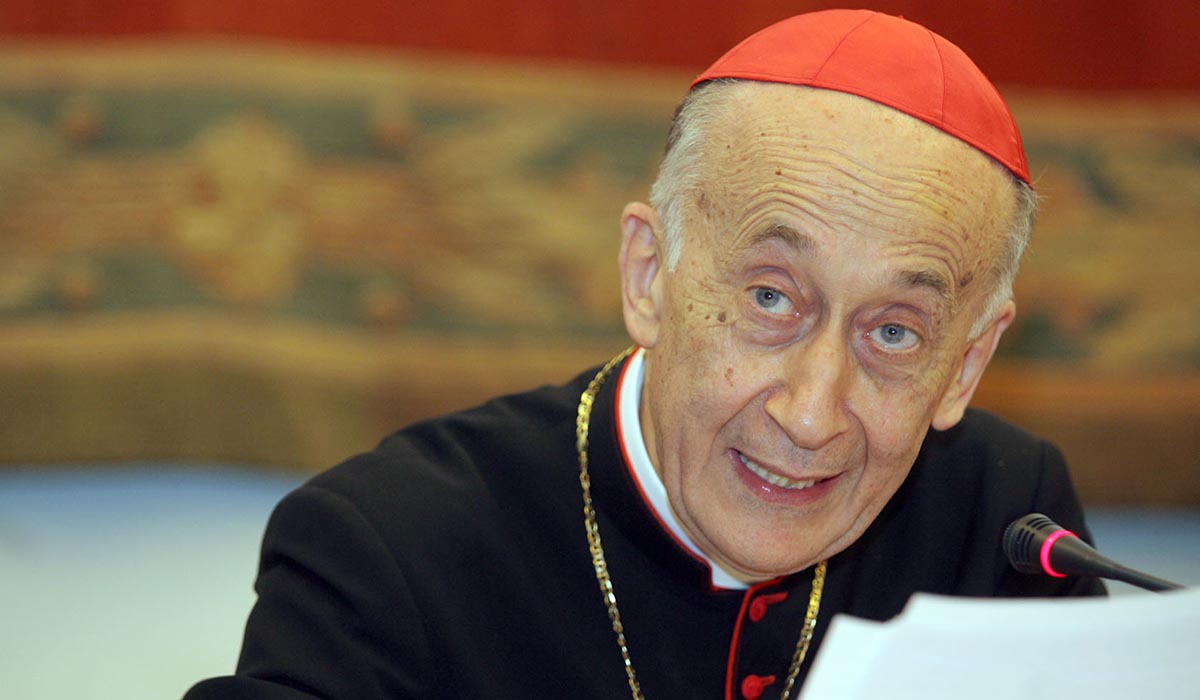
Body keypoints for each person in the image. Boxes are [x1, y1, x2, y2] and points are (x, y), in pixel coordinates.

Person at [184, 10, 1103, 700]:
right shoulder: (388, 548)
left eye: (894, 332)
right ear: (649, 274)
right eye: (771, 298)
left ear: (967, 364)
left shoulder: (1010, 529)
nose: (811, 415)